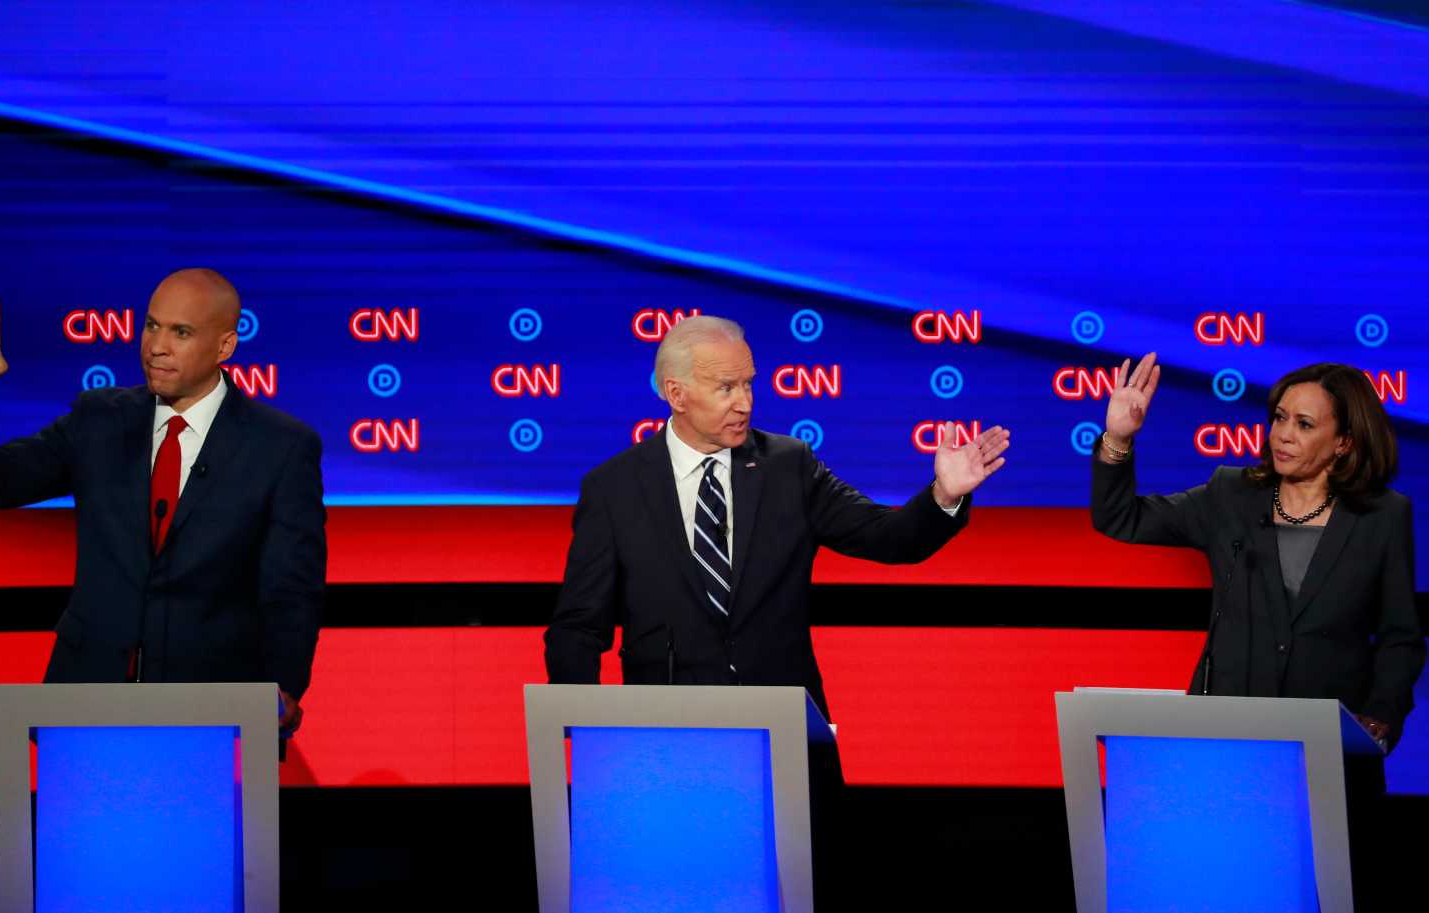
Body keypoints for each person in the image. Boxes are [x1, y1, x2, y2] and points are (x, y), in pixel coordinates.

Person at [545, 315, 1010, 716]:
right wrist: (588, 728)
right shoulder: (614, 487)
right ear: (676, 393)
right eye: (725, 387)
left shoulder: (789, 466)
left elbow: (889, 538)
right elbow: (580, 627)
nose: (744, 402)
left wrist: (943, 495)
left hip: (784, 723)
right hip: (667, 731)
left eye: (748, 384)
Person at [1092, 354, 1423, 910]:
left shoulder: (1384, 516)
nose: (1282, 435)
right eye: (1279, 418)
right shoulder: (1231, 496)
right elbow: (1120, 519)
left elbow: (1400, 636)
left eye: (1304, 424)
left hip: (1328, 762)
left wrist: (1380, 720)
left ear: (1343, 442)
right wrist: (1118, 440)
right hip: (1231, 755)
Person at [0, 271, 326, 732]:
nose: (156, 346)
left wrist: (281, 690)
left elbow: (291, 590)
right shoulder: (100, 421)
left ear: (224, 347)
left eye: (180, 332)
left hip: (211, 713)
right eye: (151, 326)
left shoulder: (279, 447)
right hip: (86, 702)